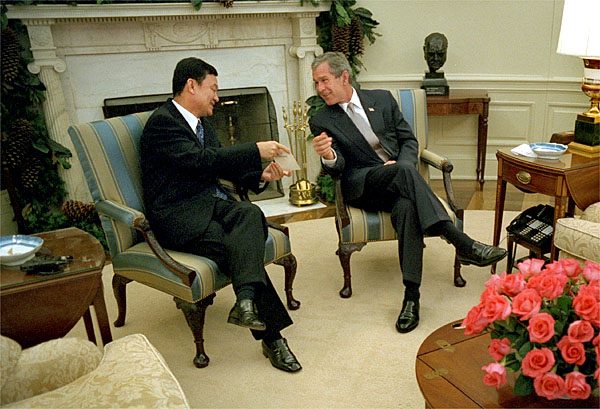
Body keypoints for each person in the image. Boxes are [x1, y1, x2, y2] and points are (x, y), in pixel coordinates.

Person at [309, 52, 507, 334]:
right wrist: (328, 155)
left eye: (324, 80)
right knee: (404, 174)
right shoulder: (322, 119)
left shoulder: (382, 99)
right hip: (364, 186)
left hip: (399, 180)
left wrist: (399, 165)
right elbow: (337, 167)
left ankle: (411, 298)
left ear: (344, 76)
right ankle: (462, 243)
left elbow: (408, 140)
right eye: (316, 83)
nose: (320, 89)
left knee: (407, 207)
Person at [140, 57, 301, 372]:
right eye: (213, 88)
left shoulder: (202, 125)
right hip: (179, 216)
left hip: (210, 205)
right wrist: (255, 149)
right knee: (239, 247)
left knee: (251, 213)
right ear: (191, 86)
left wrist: (260, 175)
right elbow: (201, 161)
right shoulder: (163, 123)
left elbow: (219, 165)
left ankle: (244, 303)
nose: (217, 96)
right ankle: (273, 339)